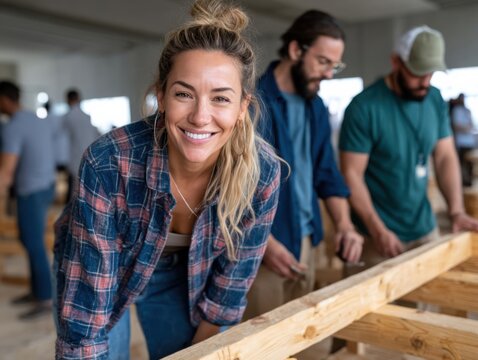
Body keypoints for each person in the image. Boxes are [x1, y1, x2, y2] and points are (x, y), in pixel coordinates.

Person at [53, 0, 281, 359]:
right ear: (160, 95)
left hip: (182, 274)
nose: (200, 116)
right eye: (183, 94)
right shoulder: (109, 161)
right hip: (98, 268)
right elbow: (86, 323)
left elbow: (230, 287)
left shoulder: (262, 173)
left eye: (220, 98)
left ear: (242, 108)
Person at [243, 10, 363, 324]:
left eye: (334, 65)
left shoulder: (316, 106)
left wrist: (345, 225)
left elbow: (326, 174)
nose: (329, 74)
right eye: (323, 62)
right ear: (296, 50)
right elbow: (230, 187)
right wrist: (264, 245)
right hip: (260, 249)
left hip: (307, 241)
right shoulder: (251, 104)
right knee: (264, 344)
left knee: (306, 336)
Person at [339, 26, 478, 271]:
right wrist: (378, 230)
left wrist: (456, 211)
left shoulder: (434, 99)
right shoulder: (364, 107)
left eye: (431, 74)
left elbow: (445, 156)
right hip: (376, 237)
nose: (424, 82)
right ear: (396, 62)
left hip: (424, 227)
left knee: (427, 304)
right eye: (417, 73)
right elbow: (352, 176)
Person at [0, 80, 56, 319]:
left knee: (33, 243)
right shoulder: (37, 119)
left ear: (4, 100)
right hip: (46, 186)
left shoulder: (13, 127)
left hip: (31, 190)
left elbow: (6, 171)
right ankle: (37, 291)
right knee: (29, 240)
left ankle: (45, 298)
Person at [62, 88, 100, 201]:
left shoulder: (67, 117)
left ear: (68, 100)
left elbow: (62, 141)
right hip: (89, 156)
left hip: (74, 158)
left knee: (76, 190)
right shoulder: (86, 117)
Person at [450, 93, 477, 186]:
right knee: (461, 163)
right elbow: (455, 126)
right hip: (461, 142)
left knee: (470, 164)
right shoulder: (456, 111)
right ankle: (461, 182)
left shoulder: (467, 111)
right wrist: (465, 128)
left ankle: (468, 181)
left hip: (469, 142)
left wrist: (466, 128)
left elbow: (471, 124)